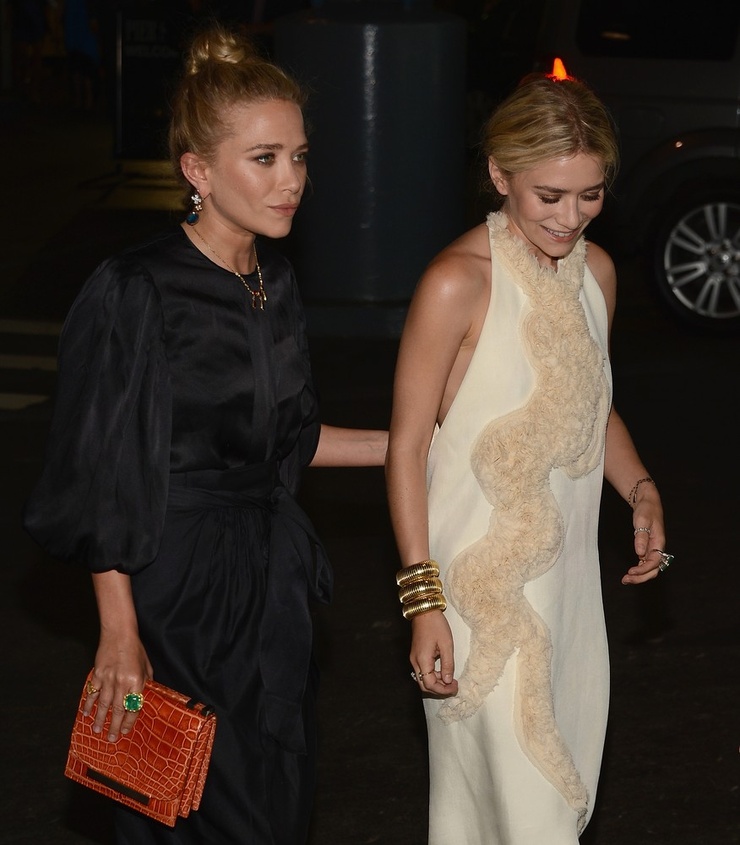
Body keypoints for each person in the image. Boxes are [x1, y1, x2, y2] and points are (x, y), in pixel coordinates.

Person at [23, 23, 387, 845]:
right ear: (198, 170)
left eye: (299, 156)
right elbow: (104, 469)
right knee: (191, 810)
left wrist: (417, 444)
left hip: (269, 584)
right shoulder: (137, 289)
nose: (291, 180)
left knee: (277, 802)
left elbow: (290, 440)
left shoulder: (274, 280)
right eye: (264, 158)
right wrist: (119, 631)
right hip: (176, 587)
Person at [385, 71, 673, 845]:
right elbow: (407, 447)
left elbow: (589, 403)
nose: (570, 217)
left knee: (543, 807)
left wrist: (639, 486)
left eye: (590, 195)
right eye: (550, 195)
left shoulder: (596, 273)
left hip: (569, 590)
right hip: (479, 592)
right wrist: (423, 602)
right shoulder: (456, 283)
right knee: (527, 815)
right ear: (499, 174)